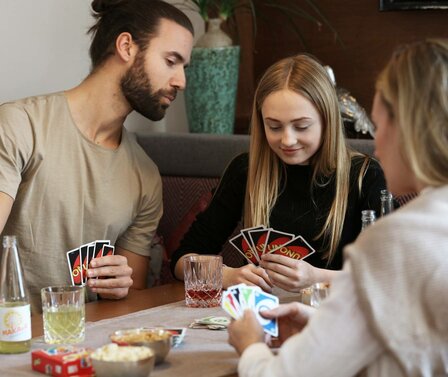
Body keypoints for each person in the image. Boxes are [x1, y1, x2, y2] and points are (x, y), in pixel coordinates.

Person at [227, 39, 448, 376]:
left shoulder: (398, 237)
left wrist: (251, 344)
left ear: (408, 130)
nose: (376, 144)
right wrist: (321, 323)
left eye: (379, 125)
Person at [0, 0, 194, 312]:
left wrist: (119, 288)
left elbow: (132, 300)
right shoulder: (21, 126)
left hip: (85, 343)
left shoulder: (145, 175)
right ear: (126, 46)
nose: (181, 81)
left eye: (185, 67)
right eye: (172, 61)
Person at [171, 54, 387, 292]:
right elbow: (182, 261)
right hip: (260, 318)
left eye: (301, 126)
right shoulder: (246, 170)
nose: (287, 139)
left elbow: (390, 276)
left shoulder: (365, 177)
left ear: (328, 120)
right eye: (274, 126)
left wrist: (316, 277)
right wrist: (229, 276)